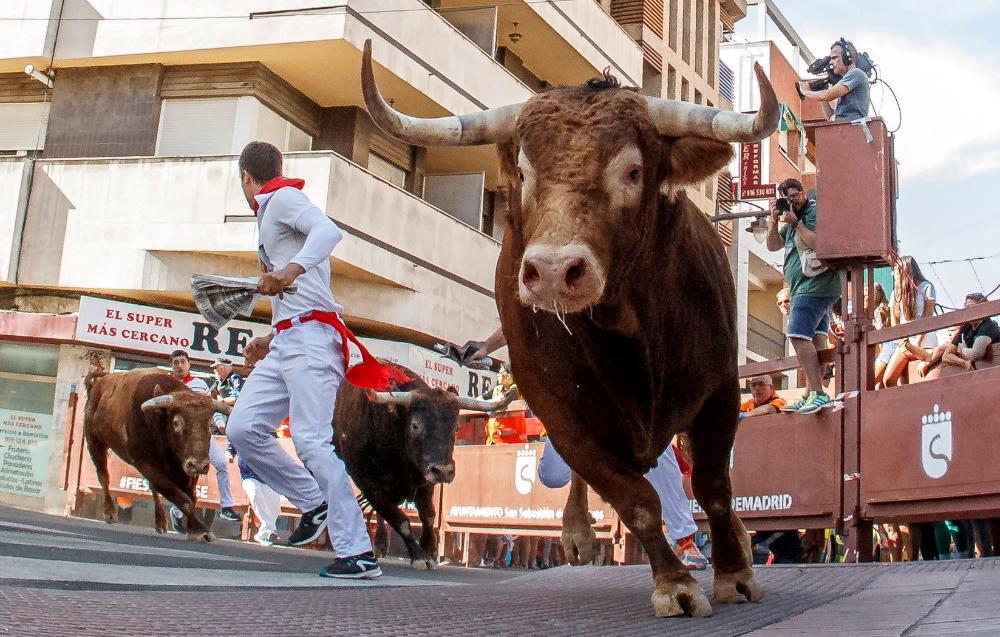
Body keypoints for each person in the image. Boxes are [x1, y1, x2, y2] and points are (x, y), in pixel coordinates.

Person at [224, 141, 380, 579]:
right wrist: (269, 336)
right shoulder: (271, 209)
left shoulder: (283, 199)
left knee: (312, 441)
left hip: (312, 341)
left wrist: (289, 271)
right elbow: (298, 296)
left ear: (245, 178)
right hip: (289, 340)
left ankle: (358, 553)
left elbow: (329, 232)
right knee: (242, 427)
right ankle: (313, 502)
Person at [537, 438, 708, 570]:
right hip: (574, 411)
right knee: (552, 475)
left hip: (624, 405)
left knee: (658, 447)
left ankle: (685, 542)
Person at [766, 178, 840, 414]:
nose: (791, 202)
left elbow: (821, 244)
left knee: (797, 335)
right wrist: (773, 221)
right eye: (787, 199)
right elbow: (772, 246)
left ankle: (818, 392)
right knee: (817, 338)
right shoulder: (790, 217)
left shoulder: (813, 210)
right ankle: (810, 393)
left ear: (802, 192)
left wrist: (797, 223)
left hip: (816, 285)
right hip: (803, 288)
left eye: (794, 196)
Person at [167, 350, 241, 528]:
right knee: (187, 475)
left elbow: (211, 406)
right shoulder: (167, 384)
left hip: (202, 435)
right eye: (175, 362)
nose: (179, 365)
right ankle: (177, 511)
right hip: (180, 440)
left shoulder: (199, 384)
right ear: (171, 365)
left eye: (182, 361)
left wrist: (220, 423)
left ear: (189, 364)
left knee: (222, 464)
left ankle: (226, 506)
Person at [879, 257, 937, 387]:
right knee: (888, 379)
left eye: (896, 270)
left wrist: (918, 341)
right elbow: (895, 322)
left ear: (905, 270)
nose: (893, 274)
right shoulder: (896, 293)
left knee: (925, 378)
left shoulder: (926, 287)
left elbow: (928, 318)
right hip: (905, 343)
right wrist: (903, 340)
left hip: (925, 340)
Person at [918, 293, 999, 376]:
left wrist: (962, 349)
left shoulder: (988, 326)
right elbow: (946, 356)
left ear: (983, 308)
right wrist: (963, 363)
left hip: (993, 370)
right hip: (979, 373)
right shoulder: (966, 327)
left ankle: (926, 360)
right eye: (966, 308)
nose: (968, 311)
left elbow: (976, 354)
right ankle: (926, 361)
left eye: (971, 307)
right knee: (945, 346)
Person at [798, 38, 870, 122]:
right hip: (842, 130)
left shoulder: (856, 73)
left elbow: (827, 95)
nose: (830, 62)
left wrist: (805, 91)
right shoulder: (845, 81)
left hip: (853, 129)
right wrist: (822, 94)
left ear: (848, 58)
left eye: (835, 58)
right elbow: (830, 117)